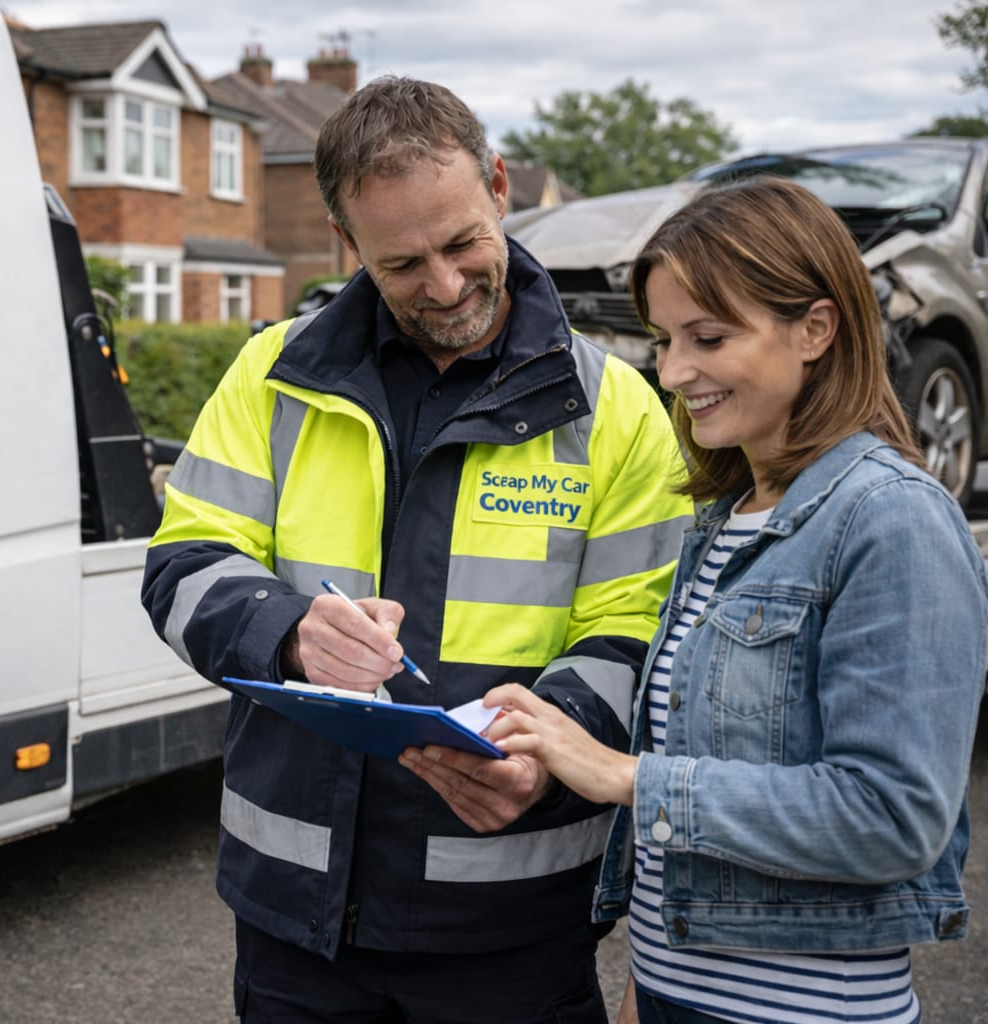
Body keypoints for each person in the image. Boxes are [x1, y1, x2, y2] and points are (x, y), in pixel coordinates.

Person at [141, 76, 691, 1023]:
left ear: (500, 186)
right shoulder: (270, 374)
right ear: (344, 241)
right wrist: (288, 633)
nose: (443, 286)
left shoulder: (617, 410)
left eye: (462, 243)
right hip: (296, 923)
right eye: (401, 264)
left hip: (513, 926)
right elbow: (185, 559)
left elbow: (638, 630)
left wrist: (546, 755)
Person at [410, 176, 988, 1024]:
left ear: (816, 329)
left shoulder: (893, 519)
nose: (674, 372)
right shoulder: (725, 518)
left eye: (709, 337)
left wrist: (624, 776)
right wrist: (645, 984)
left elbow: (893, 818)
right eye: (664, 339)